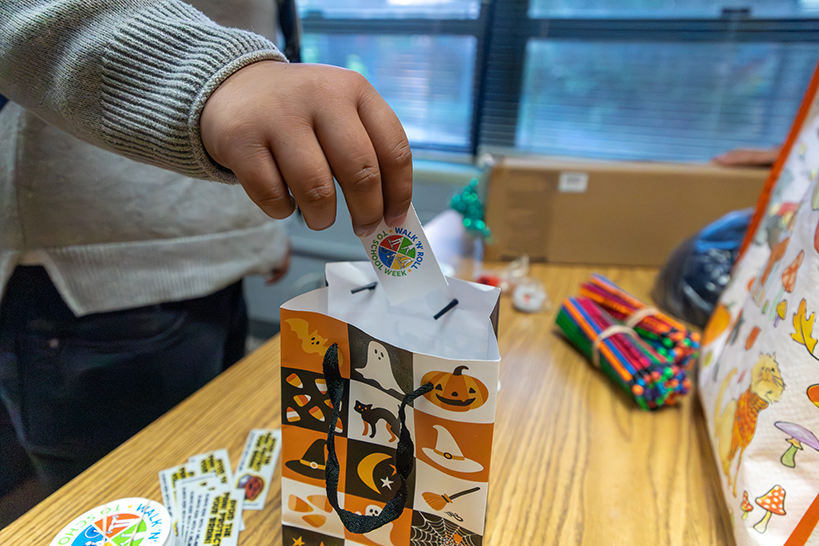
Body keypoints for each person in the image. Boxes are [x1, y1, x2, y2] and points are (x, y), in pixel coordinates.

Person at [0, 0, 412, 508]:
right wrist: (217, 74)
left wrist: (254, 236)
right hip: (90, 278)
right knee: (123, 505)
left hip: (219, 265)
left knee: (206, 484)